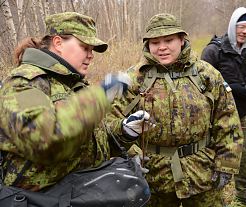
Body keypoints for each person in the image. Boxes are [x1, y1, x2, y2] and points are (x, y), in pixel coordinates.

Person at [106, 13, 244, 207]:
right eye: (155, 42)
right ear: (148, 45)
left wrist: (226, 164)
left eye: (169, 40)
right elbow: (111, 126)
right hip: (152, 177)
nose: (162, 47)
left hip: (201, 173)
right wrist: (130, 159)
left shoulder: (207, 75)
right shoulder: (133, 79)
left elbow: (227, 120)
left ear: (181, 39)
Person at [0, 12, 142, 192]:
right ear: (58, 43)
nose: (90, 55)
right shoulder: (24, 82)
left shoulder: (73, 84)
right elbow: (45, 141)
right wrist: (99, 97)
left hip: (79, 196)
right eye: (85, 47)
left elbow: (88, 144)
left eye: (92, 50)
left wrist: (124, 132)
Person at [201, 7, 246, 207]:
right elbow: (201, 83)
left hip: (243, 113)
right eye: (241, 27)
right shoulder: (214, 50)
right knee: (217, 156)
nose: (245, 32)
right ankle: (214, 196)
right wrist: (229, 88)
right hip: (218, 115)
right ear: (232, 26)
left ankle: (243, 194)